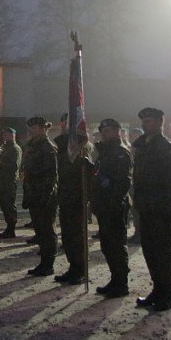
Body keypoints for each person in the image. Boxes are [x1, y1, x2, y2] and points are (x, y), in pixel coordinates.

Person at [132, 107, 171, 311]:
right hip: (145, 207)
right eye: (144, 121)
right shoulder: (143, 146)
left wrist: (168, 207)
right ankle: (157, 290)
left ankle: (167, 295)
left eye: (151, 121)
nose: (146, 124)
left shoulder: (165, 147)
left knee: (162, 252)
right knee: (150, 252)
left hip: (160, 209)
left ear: (160, 124)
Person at [93, 118, 133, 297]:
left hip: (115, 204)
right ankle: (115, 279)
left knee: (116, 245)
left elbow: (123, 181)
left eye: (108, 131)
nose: (104, 134)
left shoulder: (120, 152)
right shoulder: (106, 151)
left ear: (118, 131)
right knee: (107, 245)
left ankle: (121, 283)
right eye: (103, 131)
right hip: (104, 204)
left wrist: (114, 201)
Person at [57, 120, 95, 285]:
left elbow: (88, 173)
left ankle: (80, 270)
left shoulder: (82, 147)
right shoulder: (63, 145)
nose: (66, 125)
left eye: (69, 122)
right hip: (66, 195)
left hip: (77, 196)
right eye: (64, 122)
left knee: (77, 235)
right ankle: (73, 267)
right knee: (67, 235)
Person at [23, 116, 58, 276]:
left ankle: (48, 263)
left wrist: (45, 196)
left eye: (36, 127)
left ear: (44, 129)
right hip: (34, 192)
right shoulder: (32, 146)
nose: (32, 130)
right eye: (31, 128)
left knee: (46, 230)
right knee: (39, 229)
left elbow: (51, 175)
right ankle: (44, 262)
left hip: (44, 194)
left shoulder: (47, 147)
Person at [0, 127, 22, 238]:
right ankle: (9, 227)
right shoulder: (5, 147)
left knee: (9, 205)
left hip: (9, 180)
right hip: (3, 180)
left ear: (13, 135)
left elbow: (14, 165)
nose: (4, 136)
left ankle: (11, 229)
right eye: (4, 134)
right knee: (4, 205)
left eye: (7, 134)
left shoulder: (14, 148)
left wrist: (0, 163)